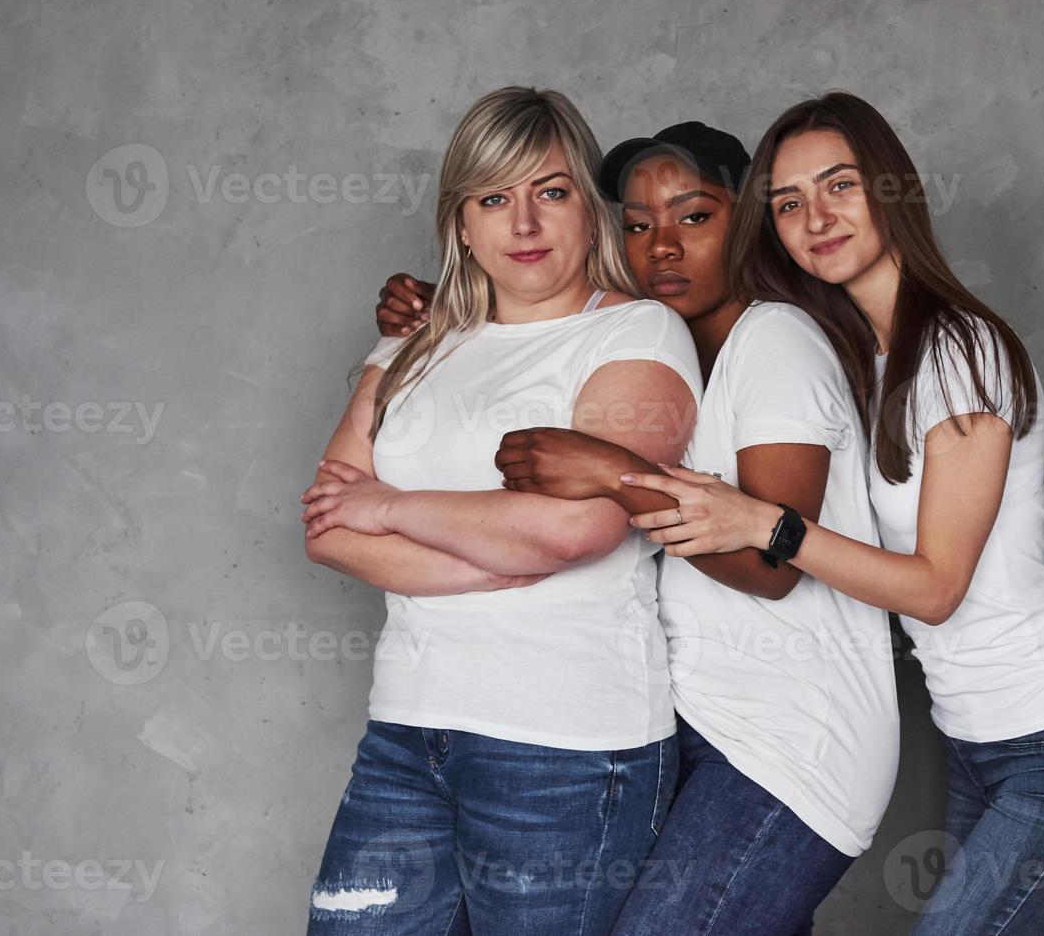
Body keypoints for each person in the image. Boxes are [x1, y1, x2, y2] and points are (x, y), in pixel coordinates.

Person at [619, 92, 1044, 935]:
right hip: (976, 746)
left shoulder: (959, 348)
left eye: (840, 187)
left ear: (891, 190)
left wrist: (766, 527)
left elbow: (936, 587)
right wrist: (455, 308)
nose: (814, 218)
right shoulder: (859, 354)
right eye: (788, 203)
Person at [374, 121, 901, 935]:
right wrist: (441, 306)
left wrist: (614, 478)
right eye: (635, 223)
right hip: (696, 727)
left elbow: (772, 565)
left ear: (746, 222)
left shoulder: (776, 340)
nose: (662, 246)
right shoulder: (654, 348)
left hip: (791, 743)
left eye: (694, 217)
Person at [300, 86, 701, 935]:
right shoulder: (413, 342)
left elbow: (578, 527)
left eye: (549, 193)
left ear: (588, 211)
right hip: (407, 735)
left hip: (565, 744)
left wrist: (393, 505)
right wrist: (495, 553)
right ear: (462, 224)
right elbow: (330, 527)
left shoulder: (636, 334)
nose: (523, 224)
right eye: (494, 198)